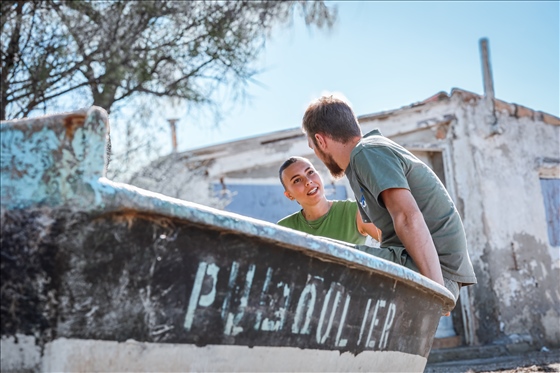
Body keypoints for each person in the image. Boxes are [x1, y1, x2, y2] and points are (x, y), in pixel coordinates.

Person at [300, 94, 477, 303]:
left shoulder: (367, 152)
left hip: (432, 270)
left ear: (320, 140)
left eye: (313, 147)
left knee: (310, 251)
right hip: (421, 266)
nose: (316, 154)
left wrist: (437, 291)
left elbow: (406, 216)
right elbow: (388, 234)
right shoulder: (362, 162)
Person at [277, 156, 381, 245]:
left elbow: (394, 244)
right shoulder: (284, 229)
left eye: (310, 172)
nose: (308, 181)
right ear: (289, 195)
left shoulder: (354, 211)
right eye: (297, 180)